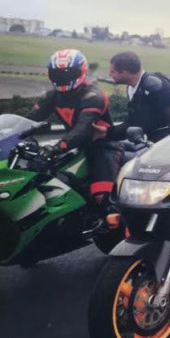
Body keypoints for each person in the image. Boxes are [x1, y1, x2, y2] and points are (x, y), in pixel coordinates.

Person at [26, 49, 122, 230]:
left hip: (102, 146)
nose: (63, 78)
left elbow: (83, 129)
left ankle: (118, 229)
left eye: (68, 73)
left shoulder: (93, 95)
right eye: (58, 74)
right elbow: (30, 120)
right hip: (72, 146)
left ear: (81, 71)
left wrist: (57, 147)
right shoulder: (52, 96)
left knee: (102, 196)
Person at [98, 51, 170, 143]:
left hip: (166, 143)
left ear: (125, 73)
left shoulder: (154, 86)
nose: (110, 75)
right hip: (149, 141)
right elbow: (133, 123)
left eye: (113, 72)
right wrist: (107, 132)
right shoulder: (132, 88)